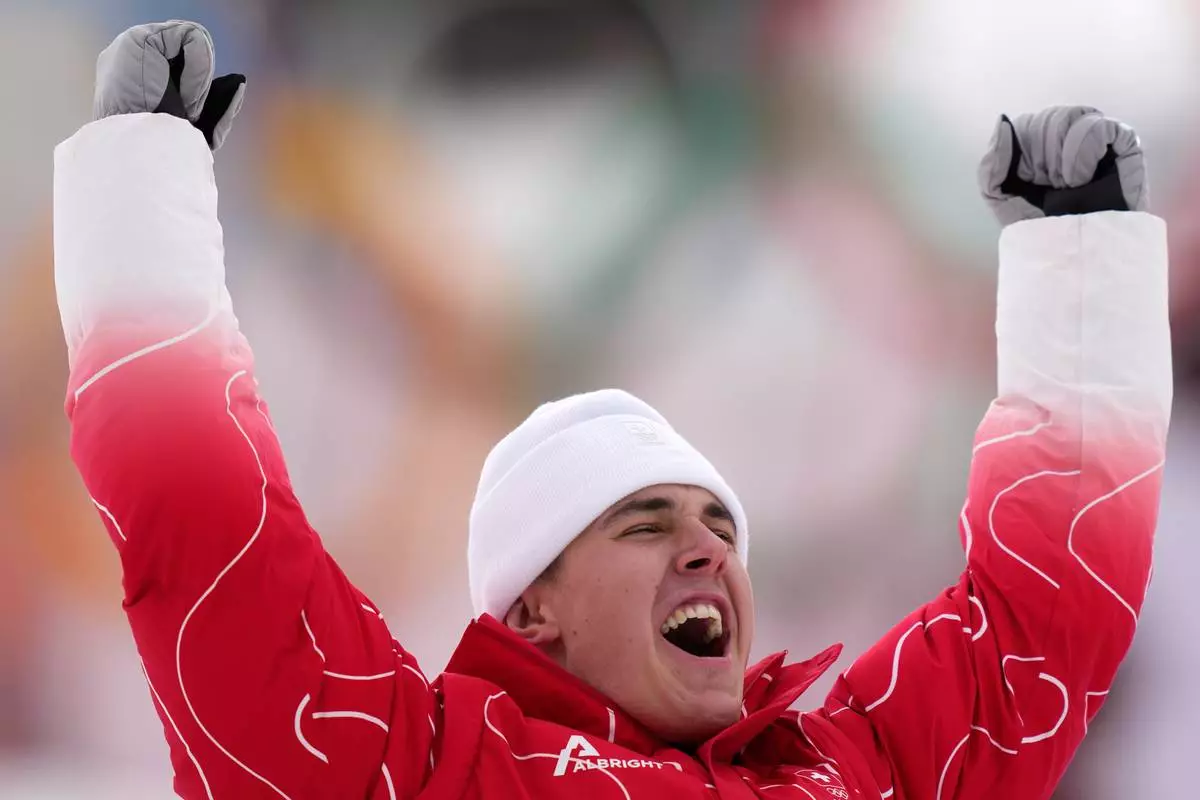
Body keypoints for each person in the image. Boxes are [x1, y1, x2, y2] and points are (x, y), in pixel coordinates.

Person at [54, 21, 1170, 800]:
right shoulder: (414, 769)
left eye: (719, 524)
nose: (706, 548)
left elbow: (1041, 620)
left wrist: (1080, 265)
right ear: (533, 609)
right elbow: (213, 551)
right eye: (645, 522)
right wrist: (141, 200)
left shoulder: (852, 769)